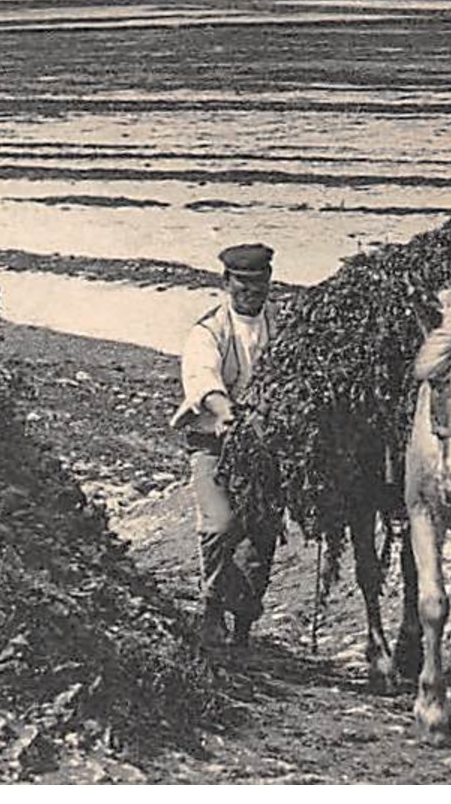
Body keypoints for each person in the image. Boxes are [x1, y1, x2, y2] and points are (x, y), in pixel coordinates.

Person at [169, 242, 280, 650]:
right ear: (226, 283)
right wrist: (228, 415)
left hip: (266, 446)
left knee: (261, 535)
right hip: (214, 442)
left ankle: (244, 626)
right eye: (242, 284)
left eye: (258, 283)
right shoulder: (208, 331)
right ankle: (213, 606)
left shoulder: (281, 324)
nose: (251, 292)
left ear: (269, 281)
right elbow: (203, 381)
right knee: (220, 524)